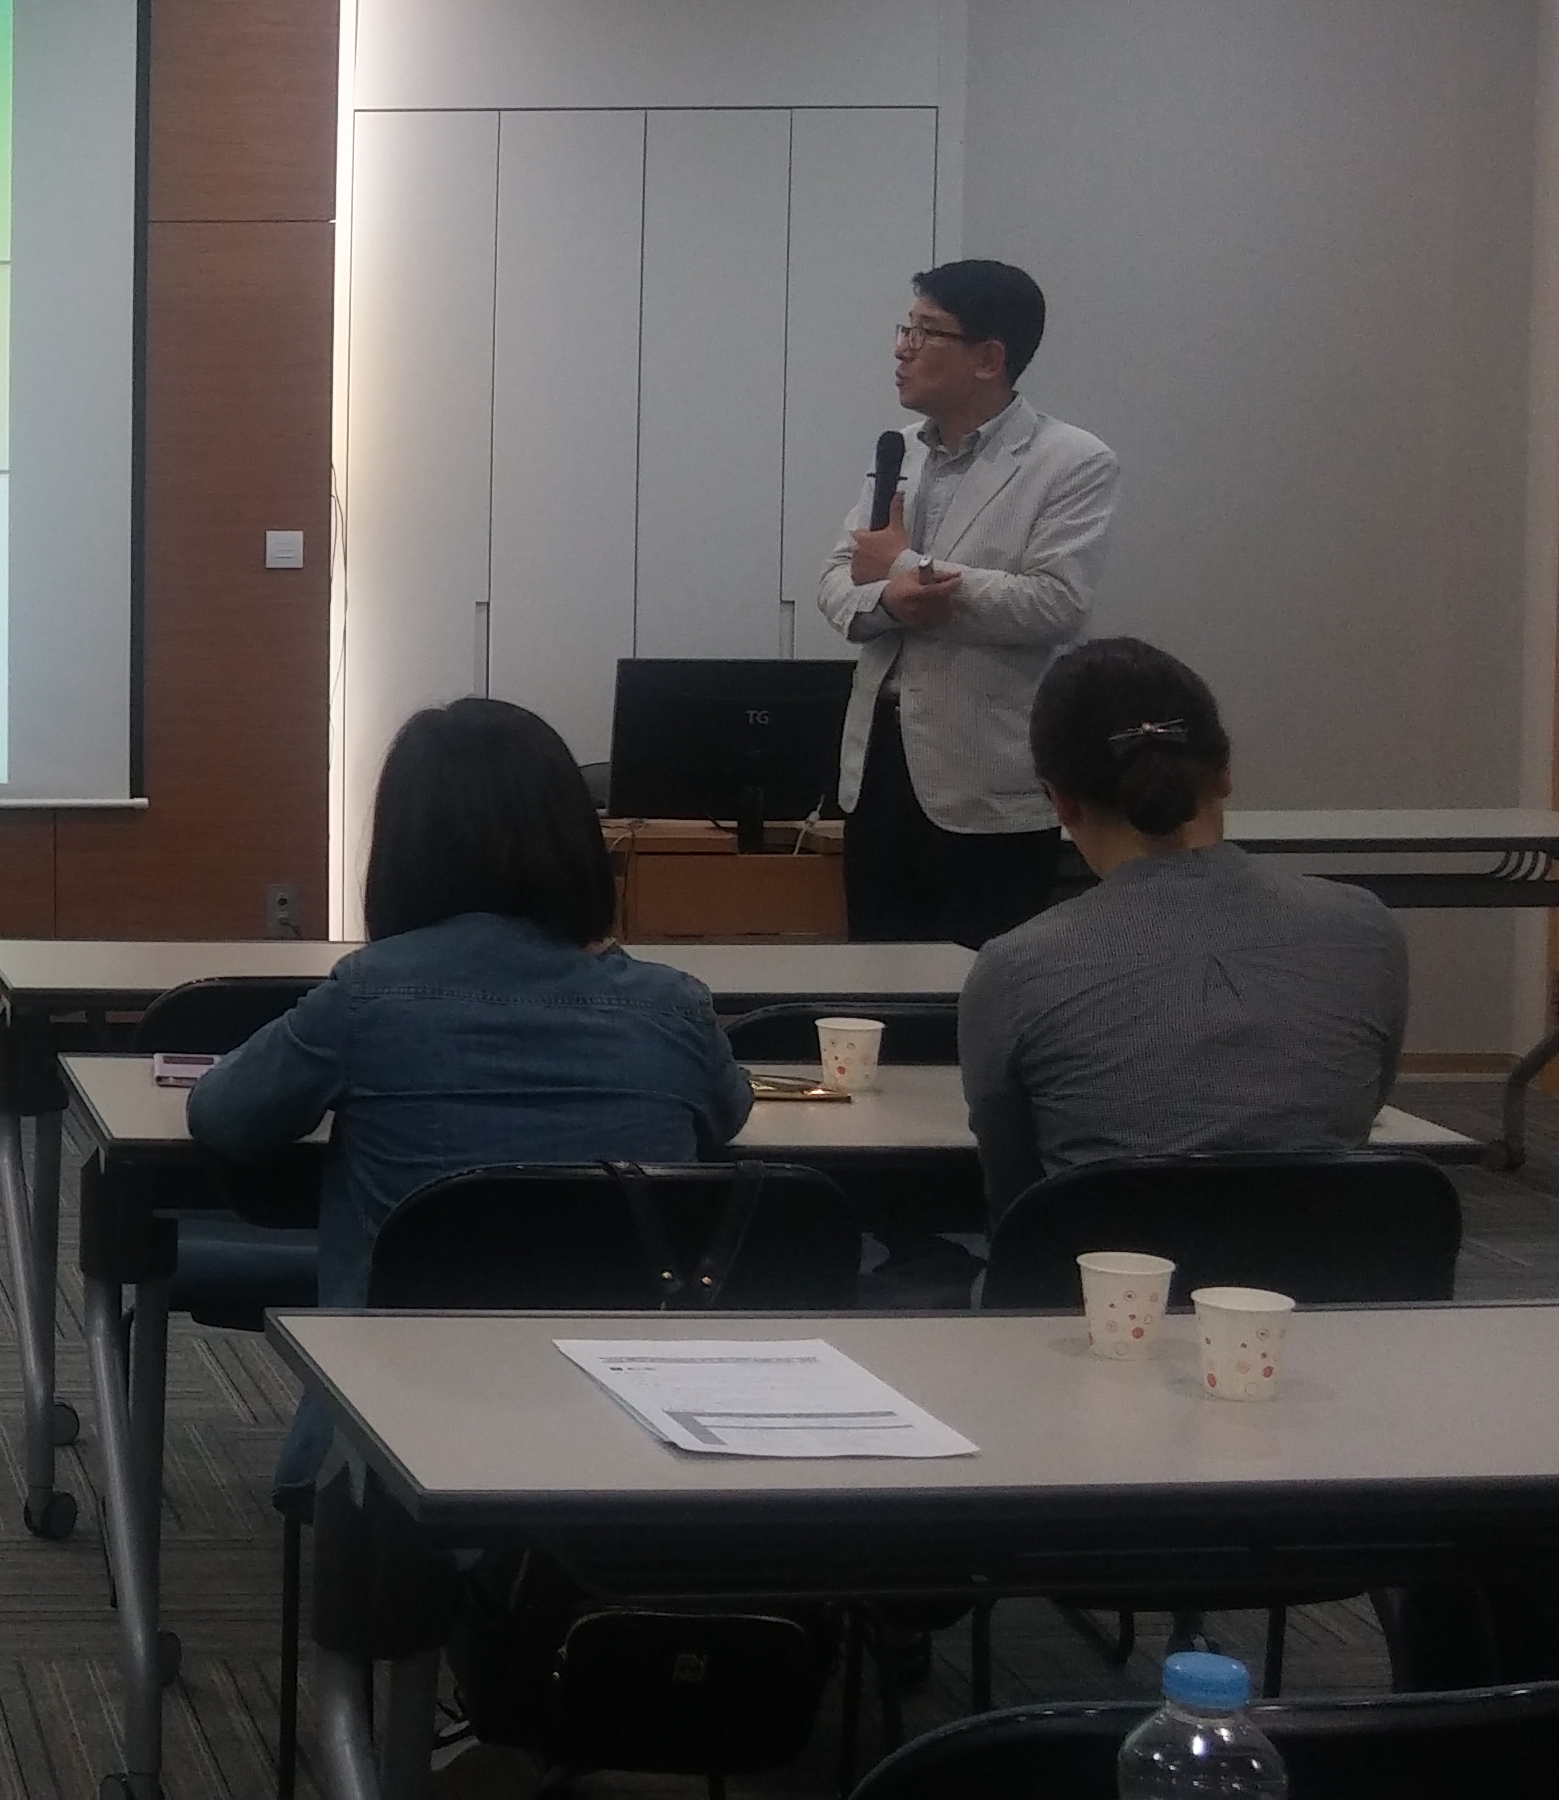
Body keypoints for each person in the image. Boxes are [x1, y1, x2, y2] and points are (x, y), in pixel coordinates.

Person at [191, 698, 752, 1492]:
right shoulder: (673, 1005)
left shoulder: (367, 997)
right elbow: (728, 1117)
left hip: (397, 1426)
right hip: (630, 1422)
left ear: (403, 849)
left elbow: (221, 1115)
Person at [957, 636, 1407, 1218]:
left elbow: (1016, 1200)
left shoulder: (1014, 970)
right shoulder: (1365, 929)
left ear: (1059, 801)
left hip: (1112, 1272)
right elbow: (1357, 1113)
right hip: (1334, 1266)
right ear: (1225, 773)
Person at [817, 258, 1120, 948]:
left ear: (988, 358)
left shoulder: (1071, 461)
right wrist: (894, 600)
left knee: (981, 984)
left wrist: (905, 569)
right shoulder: (899, 454)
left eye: (927, 332)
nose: (903, 348)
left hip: (985, 784)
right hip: (878, 771)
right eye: (906, 328)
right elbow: (838, 580)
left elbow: (1056, 604)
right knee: (876, 984)